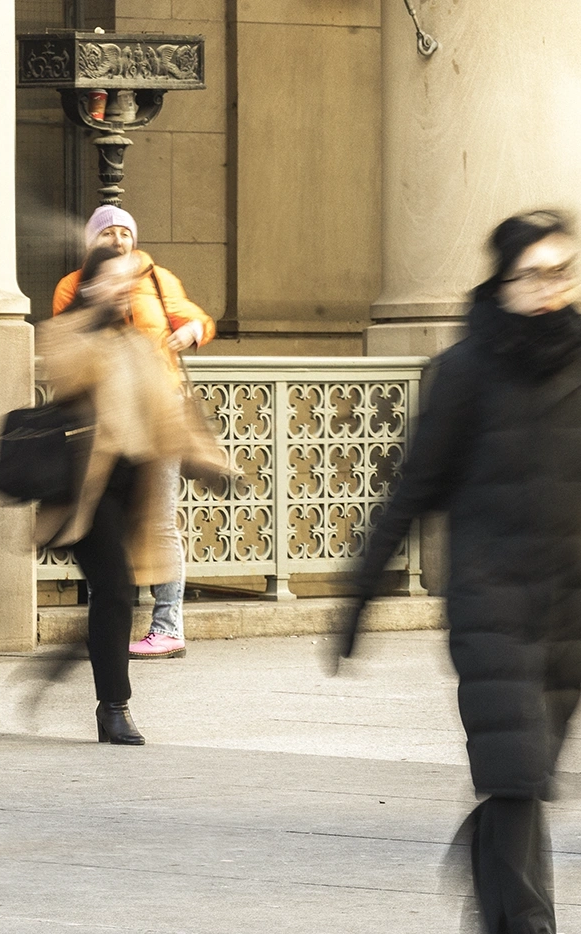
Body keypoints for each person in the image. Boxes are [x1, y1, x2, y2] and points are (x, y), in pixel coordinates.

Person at [337, 209, 581, 934]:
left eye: (562, 271)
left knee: (530, 778)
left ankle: (484, 860)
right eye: (534, 273)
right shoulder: (464, 371)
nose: (550, 289)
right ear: (502, 280)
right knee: (513, 771)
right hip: (493, 601)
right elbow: (416, 487)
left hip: (571, 604)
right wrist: (359, 597)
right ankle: (530, 922)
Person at [34, 244, 194, 745]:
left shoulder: (138, 343)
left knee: (114, 594)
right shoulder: (66, 331)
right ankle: (114, 708)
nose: (123, 289)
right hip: (86, 490)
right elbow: (69, 373)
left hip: (133, 489)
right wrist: (98, 317)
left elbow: (165, 410)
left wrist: (207, 460)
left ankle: (74, 660)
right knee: (118, 588)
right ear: (92, 283)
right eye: (112, 280)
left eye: (128, 282)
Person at [51, 205, 216, 660]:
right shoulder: (73, 286)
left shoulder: (159, 279)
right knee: (104, 526)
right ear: (92, 243)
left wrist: (193, 332)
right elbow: (67, 337)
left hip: (158, 415)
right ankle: (109, 620)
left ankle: (168, 626)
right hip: (102, 425)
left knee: (160, 519)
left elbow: (195, 318)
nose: (118, 240)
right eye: (108, 233)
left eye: (125, 232)